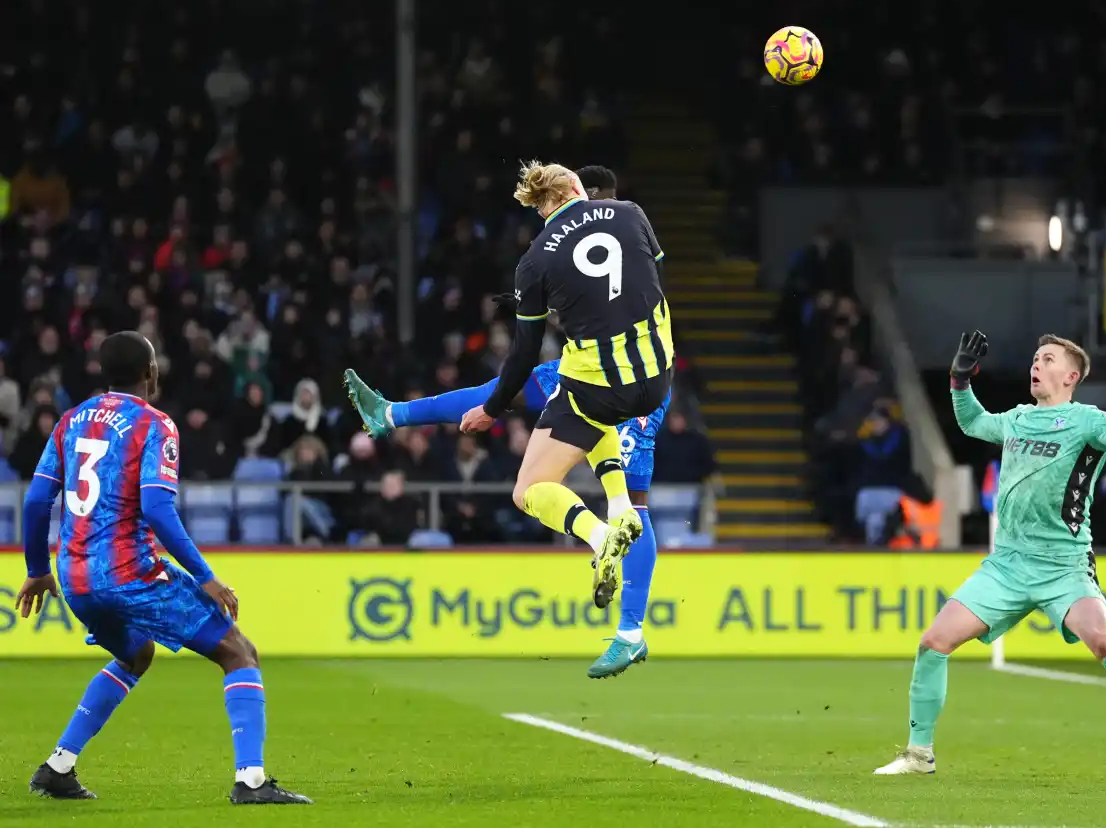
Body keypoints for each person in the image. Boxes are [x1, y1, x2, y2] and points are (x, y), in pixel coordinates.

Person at [344, 165, 668, 678]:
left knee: (535, 452)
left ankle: (629, 625)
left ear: (542, 205)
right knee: (560, 402)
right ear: (580, 193)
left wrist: (494, 409)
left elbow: (521, 353)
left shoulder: (536, 257)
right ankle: (391, 413)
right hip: (652, 371)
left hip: (600, 377)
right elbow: (646, 283)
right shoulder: (631, 216)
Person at [874, 332, 1106, 779]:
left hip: (1063, 566)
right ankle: (919, 754)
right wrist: (960, 380)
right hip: (1008, 565)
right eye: (1036, 357)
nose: (1036, 364)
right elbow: (973, 423)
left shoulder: (1088, 421)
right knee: (932, 643)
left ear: (1071, 375)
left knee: (1103, 642)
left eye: (1048, 358)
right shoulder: (1017, 419)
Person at [16, 331, 310, 805]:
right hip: (129, 572)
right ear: (151, 372)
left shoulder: (70, 421)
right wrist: (206, 577)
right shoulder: (155, 424)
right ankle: (251, 781)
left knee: (136, 654)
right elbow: (156, 508)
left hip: (73, 575)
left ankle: (58, 766)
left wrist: (36, 567)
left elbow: (35, 502)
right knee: (239, 651)